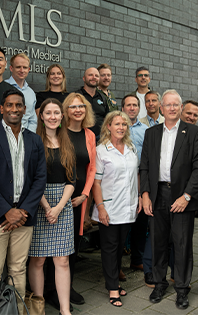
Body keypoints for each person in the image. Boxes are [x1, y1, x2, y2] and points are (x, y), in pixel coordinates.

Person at [0, 89, 46, 315]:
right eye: (10, 105)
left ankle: (16, 312)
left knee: (18, 270)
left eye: (19, 105)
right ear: (1, 108)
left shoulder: (34, 139)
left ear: (24, 109)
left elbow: (40, 177)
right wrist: (6, 211)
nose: (15, 109)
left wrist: (23, 211)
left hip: (24, 217)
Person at [140, 89, 198, 309]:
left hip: (182, 196)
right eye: (167, 105)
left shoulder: (194, 132)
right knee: (158, 242)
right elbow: (145, 166)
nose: (171, 108)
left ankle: (182, 288)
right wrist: (145, 195)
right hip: (157, 195)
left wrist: (187, 196)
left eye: (175, 105)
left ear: (180, 107)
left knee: (182, 243)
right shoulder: (152, 133)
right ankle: (159, 283)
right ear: (161, 108)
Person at [44, 93, 97, 309]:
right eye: (73, 107)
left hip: (79, 198)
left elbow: (92, 167)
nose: (78, 110)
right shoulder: (60, 132)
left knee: (71, 245)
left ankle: (68, 286)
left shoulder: (89, 135)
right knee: (51, 246)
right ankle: (50, 291)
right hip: (58, 196)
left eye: (81, 106)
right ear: (65, 110)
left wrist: (84, 194)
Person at [28, 98, 76, 315]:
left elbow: (72, 180)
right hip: (39, 201)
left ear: (62, 116)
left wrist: (58, 208)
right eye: (48, 113)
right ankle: (38, 308)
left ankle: (64, 310)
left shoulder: (67, 143)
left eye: (57, 112)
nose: (53, 117)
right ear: (41, 115)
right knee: (38, 259)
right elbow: (31, 179)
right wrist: (47, 207)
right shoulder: (33, 142)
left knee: (62, 260)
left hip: (63, 204)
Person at [92, 111, 141, 307]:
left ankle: (112, 280)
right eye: (117, 124)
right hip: (109, 207)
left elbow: (136, 176)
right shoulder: (101, 150)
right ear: (108, 127)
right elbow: (96, 183)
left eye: (124, 124)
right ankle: (113, 287)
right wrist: (101, 207)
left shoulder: (131, 148)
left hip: (128, 206)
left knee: (120, 246)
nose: (121, 127)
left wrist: (137, 198)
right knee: (110, 248)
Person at [121, 93, 148, 281]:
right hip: (121, 182)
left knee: (140, 223)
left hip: (140, 179)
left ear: (139, 108)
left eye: (135, 105)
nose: (132, 108)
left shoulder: (146, 130)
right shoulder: (116, 126)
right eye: (128, 105)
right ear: (122, 108)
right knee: (121, 226)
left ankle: (137, 259)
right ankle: (117, 265)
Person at [5, 53, 37, 132]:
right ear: (11, 68)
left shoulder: (31, 93)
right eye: (18, 67)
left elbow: (32, 120)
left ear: (29, 69)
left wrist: (28, 137)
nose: (22, 70)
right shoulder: (3, 87)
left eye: (25, 67)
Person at [75, 67, 109, 138]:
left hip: (100, 137)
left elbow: (107, 118)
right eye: (90, 75)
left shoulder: (103, 98)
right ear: (84, 78)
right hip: (81, 137)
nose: (94, 77)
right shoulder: (76, 96)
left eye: (96, 76)